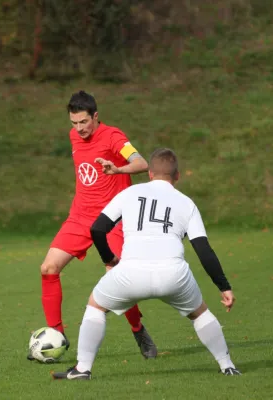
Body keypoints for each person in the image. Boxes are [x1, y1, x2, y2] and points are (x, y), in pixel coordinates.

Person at [52, 148, 241, 380]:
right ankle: (227, 365)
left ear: (150, 173)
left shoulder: (130, 192)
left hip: (131, 272)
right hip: (173, 274)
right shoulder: (186, 203)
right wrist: (224, 287)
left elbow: (97, 229)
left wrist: (108, 259)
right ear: (177, 176)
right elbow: (204, 251)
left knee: (96, 306)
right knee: (200, 313)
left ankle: (82, 369)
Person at [32, 90, 157, 361]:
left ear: (96, 116)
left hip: (111, 220)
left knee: (117, 278)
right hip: (79, 216)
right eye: (74, 123)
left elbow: (142, 163)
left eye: (84, 122)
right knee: (48, 268)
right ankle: (57, 337)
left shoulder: (114, 137)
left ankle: (138, 330)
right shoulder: (73, 136)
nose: (79, 129)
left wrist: (118, 170)